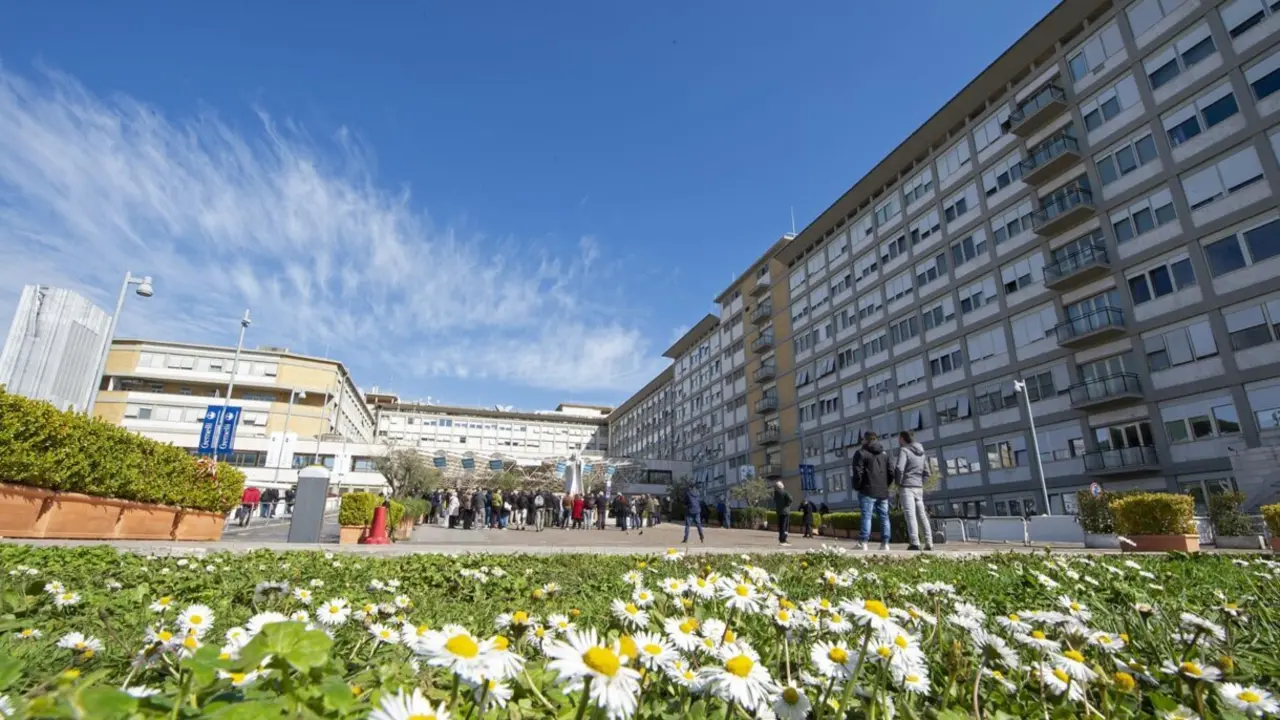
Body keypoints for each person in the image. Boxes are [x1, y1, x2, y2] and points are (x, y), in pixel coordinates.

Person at [854, 432, 893, 551]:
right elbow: (891, 471)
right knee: (884, 517)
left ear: (865, 440)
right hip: (883, 491)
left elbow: (858, 472)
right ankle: (885, 543)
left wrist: (858, 486)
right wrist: (886, 485)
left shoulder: (861, 453)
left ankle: (863, 542)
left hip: (867, 489)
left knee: (867, 516)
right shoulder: (885, 454)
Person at [896, 431, 934, 551]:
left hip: (907, 486)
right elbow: (927, 472)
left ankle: (915, 543)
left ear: (902, 439)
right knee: (922, 515)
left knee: (910, 515)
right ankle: (929, 543)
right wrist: (920, 482)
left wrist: (899, 483)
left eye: (899, 438)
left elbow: (899, 468)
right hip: (918, 487)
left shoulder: (904, 451)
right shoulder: (922, 453)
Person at [773, 481, 793, 545]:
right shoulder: (784, 492)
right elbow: (790, 499)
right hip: (785, 512)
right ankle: (783, 540)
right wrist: (788, 504)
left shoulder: (776, 493)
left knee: (781, 526)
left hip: (779, 512)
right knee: (785, 527)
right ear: (782, 486)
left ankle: (781, 539)